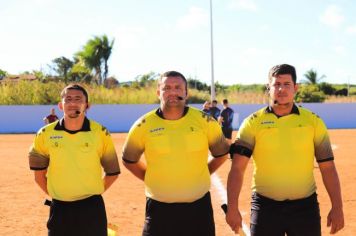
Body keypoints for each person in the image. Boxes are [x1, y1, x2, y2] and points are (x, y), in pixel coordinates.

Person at [226, 64, 344, 235]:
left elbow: (328, 167)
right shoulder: (252, 123)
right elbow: (237, 168)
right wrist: (232, 208)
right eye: (276, 84)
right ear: (269, 88)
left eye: (287, 84)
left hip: (305, 208)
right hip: (265, 207)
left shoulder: (313, 122)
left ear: (295, 88)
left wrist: (338, 207)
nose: (281, 89)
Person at [122, 71, 230, 236]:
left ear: (186, 92)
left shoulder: (205, 121)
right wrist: (151, 177)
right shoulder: (142, 125)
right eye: (167, 88)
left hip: (198, 210)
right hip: (159, 211)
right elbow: (129, 160)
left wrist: (203, 172)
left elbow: (221, 154)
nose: (172, 92)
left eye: (178, 87)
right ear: (158, 92)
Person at [28, 84, 120, 236]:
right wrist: (59, 196)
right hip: (59, 209)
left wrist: (93, 193)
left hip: (92, 208)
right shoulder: (44, 134)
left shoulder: (101, 133)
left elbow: (113, 173)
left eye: (78, 99)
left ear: (87, 105)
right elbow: (38, 176)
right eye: (68, 99)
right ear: (60, 105)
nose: (72, 103)